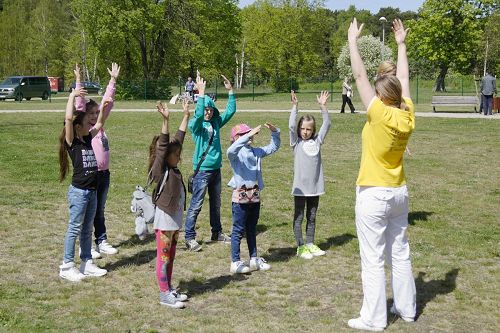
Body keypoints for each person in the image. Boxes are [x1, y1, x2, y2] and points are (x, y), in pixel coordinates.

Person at [346, 18, 416, 331]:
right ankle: (407, 309)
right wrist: (401, 45)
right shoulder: (406, 113)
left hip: (373, 193)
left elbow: (359, 74)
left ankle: (374, 319)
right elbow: (402, 77)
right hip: (399, 192)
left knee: (372, 258)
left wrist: (352, 43)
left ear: (379, 93)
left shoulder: (379, 112)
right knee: (400, 253)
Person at [58, 69, 112, 282]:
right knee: (74, 227)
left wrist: (103, 110)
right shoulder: (73, 143)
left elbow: (99, 124)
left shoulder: (88, 139)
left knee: (87, 229)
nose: (89, 126)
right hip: (79, 192)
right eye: (85, 124)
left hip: (92, 191)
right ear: (77, 127)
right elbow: (69, 117)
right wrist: (72, 95)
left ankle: (86, 262)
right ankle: (67, 265)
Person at [184, 74, 236, 251]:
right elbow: (198, 116)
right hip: (202, 171)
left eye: (210, 109)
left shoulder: (215, 123)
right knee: (196, 205)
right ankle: (189, 237)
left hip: (216, 170)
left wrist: (230, 92)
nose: (207, 112)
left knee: (216, 203)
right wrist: (202, 94)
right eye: (206, 109)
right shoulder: (196, 125)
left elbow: (230, 112)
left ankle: (217, 232)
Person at [75, 63, 120, 259]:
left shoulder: (99, 127)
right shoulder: (85, 130)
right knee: (88, 212)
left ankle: (101, 240)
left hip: (104, 174)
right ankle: (86, 245)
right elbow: (79, 106)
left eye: (96, 113)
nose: (94, 116)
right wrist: (78, 82)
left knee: (100, 209)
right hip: (90, 175)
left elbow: (106, 104)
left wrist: (113, 81)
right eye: (90, 113)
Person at [149, 99, 190, 308]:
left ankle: (169, 288)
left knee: (171, 255)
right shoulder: (161, 169)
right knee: (163, 256)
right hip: (165, 217)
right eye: (176, 155)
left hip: (174, 217)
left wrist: (185, 116)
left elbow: (178, 139)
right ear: (165, 156)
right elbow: (165, 146)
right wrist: (166, 121)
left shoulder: (173, 168)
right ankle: (164, 294)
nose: (179, 157)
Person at [226, 122, 280, 273]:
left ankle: (254, 259)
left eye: (249, 134)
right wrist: (247, 136)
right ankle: (235, 262)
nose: (249, 136)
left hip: (254, 197)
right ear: (236, 138)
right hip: (240, 200)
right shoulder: (235, 155)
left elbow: (273, 147)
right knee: (238, 230)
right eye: (243, 134)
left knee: (251, 229)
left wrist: (275, 132)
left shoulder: (256, 152)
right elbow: (230, 150)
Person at [289, 90, 331, 259]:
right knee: (299, 217)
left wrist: (323, 107)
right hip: (300, 189)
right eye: (303, 128)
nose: (305, 132)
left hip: (315, 188)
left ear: (313, 130)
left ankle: (310, 243)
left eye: (309, 129)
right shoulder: (296, 142)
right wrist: (295, 107)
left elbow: (327, 123)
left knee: (312, 217)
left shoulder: (317, 141)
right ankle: (300, 247)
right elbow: (291, 126)